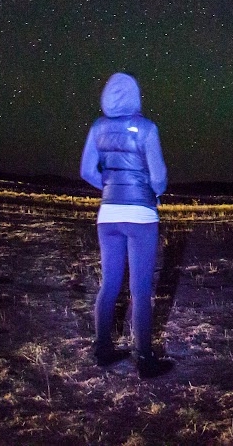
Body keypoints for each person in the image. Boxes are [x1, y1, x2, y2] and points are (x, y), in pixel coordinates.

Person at [80, 72, 172, 378]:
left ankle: (103, 351)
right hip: (141, 216)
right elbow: (158, 178)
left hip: (108, 216)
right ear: (135, 95)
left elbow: (86, 171)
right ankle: (144, 359)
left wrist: (109, 185)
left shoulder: (97, 127)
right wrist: (150, 191)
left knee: (109, 285)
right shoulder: (147, 128)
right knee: (140, 290)